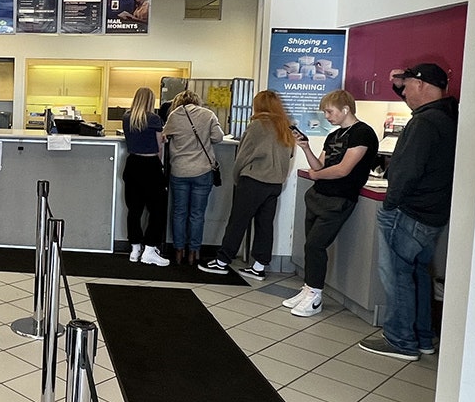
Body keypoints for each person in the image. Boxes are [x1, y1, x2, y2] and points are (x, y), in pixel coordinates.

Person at [358, 62, 458, 361]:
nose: (405, 92)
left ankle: (401, 339)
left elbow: (408, 170)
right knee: (419, 274)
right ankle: (423, 337)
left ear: (423, 85)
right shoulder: (447, 116)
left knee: (398, 275)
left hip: (409, 211)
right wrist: (398, 84)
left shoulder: (424, 123)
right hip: (433, 213)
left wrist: (391, 202)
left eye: (409, 86)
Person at [286, 89, 380, 316]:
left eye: (329, 111)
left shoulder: (362, 133)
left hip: (339, 199)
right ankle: (309, 287)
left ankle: (315, 295)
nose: (326, 116)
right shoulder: (333, 136)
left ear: (345, 109)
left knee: (315, 245)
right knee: (311, 245)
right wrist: (306, 147)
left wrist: (316, 175)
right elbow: (319, 166)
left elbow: (343, 170)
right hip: (319, 196)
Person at [198, 90, 295, 281]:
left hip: (254, 180)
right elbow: (289, 155)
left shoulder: (258, 125)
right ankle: (258, 267)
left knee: (238, 221)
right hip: (275, 184)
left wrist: (236, 178)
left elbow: (243, 156)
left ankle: (222, 261)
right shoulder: (286, 127)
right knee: (265, 225)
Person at [162, 89, 226, 265]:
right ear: (197, 100)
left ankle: (178, 251)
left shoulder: (174, 115)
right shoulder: (208, 114)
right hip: (202, 171)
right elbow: (218, 137)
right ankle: (194, 253)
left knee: (179, 213)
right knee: (197, 214)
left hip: (179, 171)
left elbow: (164, 136)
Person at [120, 86, 169, 266]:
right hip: (150, 166)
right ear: (151, 100)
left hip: (132, 165)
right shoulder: (154, 118)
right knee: (157, 210)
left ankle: (134, 249)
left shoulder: (127, 117)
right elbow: (159, 147)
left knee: (134, 210)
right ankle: (149, 249)